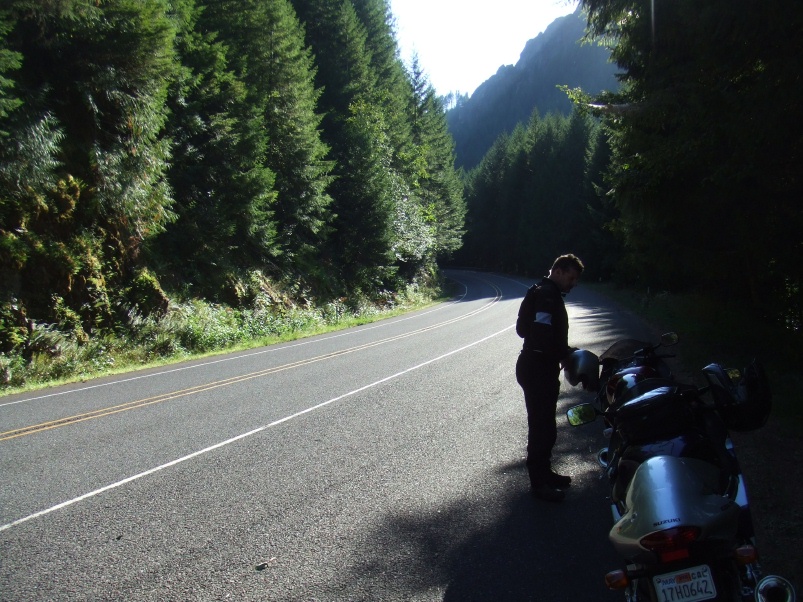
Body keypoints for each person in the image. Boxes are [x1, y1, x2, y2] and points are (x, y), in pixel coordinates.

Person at [515, 253, 584, 502]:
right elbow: (542, 336)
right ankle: (539, 484)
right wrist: (564, 353)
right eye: (572, 277)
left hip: (536, 365)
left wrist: (560, 352)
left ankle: (546, 473)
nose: (573, 284)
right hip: (537, 367)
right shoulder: (546, 295)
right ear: (559, 271)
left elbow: (523, 329)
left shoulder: (540, 291)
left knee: (547, 425)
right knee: (541, 427)